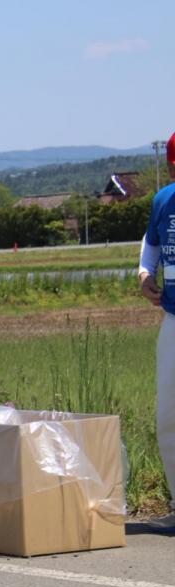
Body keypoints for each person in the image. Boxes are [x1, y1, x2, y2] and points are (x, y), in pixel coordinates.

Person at [137, 131, 175, 526]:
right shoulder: (163, 200)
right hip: (173, 321)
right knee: (169, 418)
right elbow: (150, 244)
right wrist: (145, 273)